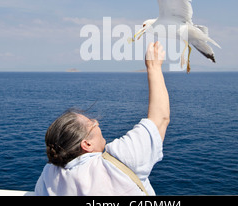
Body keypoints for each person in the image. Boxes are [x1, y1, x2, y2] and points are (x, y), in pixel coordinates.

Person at [34, 41, 170, 196]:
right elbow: (160, 119)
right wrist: (154, 67)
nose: (97, 122)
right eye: (91, 124)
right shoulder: (120, 161)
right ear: (86, 144)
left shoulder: (49, 176)